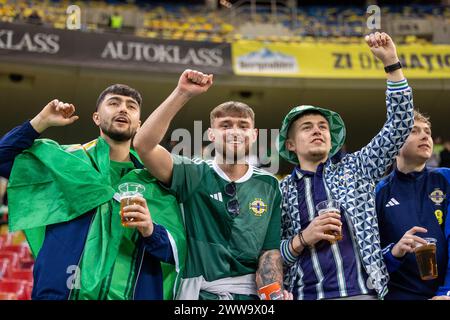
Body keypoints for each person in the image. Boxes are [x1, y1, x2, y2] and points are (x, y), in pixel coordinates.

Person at [0, 85, 185, 300]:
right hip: (63, 294)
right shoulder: (65, 163)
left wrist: (151, 231)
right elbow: (3, 158)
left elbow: (178, 253)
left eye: (131, 106)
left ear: (140, 125)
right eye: (114, 103)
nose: (123, 109)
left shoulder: (157, 181)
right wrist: (41, 121)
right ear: (96, 117)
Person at [278, 32, 414, 300]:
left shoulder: (357, 167)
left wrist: (391, 63)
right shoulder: (279, 190)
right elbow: (271, 253)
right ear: (290, 145)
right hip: (305, 295)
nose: (317, 131)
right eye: (307, 128)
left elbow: (400, 126)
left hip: (363, 293)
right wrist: (304, 237)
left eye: (323, 127)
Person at [133, 69, 290, 300]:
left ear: (254, 134)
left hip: (250, 297)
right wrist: (182, 93)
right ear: (212, 134)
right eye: (225, 125)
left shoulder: (268, 184)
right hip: (200, 295)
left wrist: (273, 294)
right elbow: (143, 145)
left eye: (243, 126)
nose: (235, 131)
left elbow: (269, 251)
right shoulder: (193, 173)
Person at [376, 111, 450, 300]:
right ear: (394, 142)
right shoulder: (378, 192)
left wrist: (446, 292)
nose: (425, 136)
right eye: (414, 131)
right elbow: (369, 259)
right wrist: (393, 253)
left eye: (427, 131)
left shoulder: (446, 179)